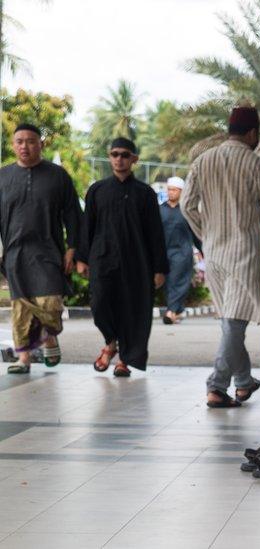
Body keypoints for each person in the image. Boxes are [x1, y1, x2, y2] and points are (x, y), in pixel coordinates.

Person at [181, 106, 260, 408]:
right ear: (252, 133)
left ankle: (243, 382)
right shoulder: (257, 166)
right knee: (234, 323)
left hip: (213, 254)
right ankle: (216, 386)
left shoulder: (202, 161)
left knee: (230, 321)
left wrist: (206, 234)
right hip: (244, 253)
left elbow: (187, 206)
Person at [76, 137, 168, 378]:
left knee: (132, 309)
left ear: (134, 159)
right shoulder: (97, 190)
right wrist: (82, 258)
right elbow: (88, 226)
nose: (119, 159)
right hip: (102, 259)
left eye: (125, 155)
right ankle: (110, 342)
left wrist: (159, 268)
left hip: (136, 262)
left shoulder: (145, 193)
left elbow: (155, 232)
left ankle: (125, 359)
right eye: (115, 154)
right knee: (100, 304)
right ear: (109, 157)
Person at [0, 123, 82, 374]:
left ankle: (48, 336)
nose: (25, 146)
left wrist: (72, 249)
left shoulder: (57, 176)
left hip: (48, 251)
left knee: (50, 303)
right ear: (13, 145)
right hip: (14, 252)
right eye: (19, 141)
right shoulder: (3, 176)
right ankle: (23, 358)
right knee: (20, 306)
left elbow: (73, 215)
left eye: (31, 141)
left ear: (41, 144)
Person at [160, 176, 202, 325]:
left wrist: (202, 250)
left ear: (182, 192)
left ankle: (170, 312)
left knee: (178, 281)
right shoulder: (160, 210)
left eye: (174, 190)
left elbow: (196, 232)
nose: (171, 193)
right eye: (169, 190)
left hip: (182, 253)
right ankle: (176, 311)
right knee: (167, 283)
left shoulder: (187, 211)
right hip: (164, 253)